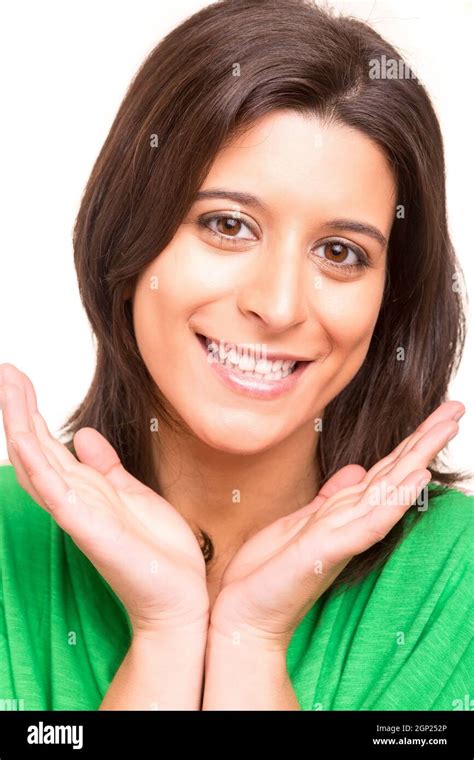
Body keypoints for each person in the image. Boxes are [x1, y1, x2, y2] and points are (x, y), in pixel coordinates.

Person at [0, 0, 472, 711]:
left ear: (390, 296)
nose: (279, 306)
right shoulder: (9, 545)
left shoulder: (456, 580)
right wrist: (166, 635)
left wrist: (250, 644)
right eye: (227, 225)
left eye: (341, 253)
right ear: (129, 234)